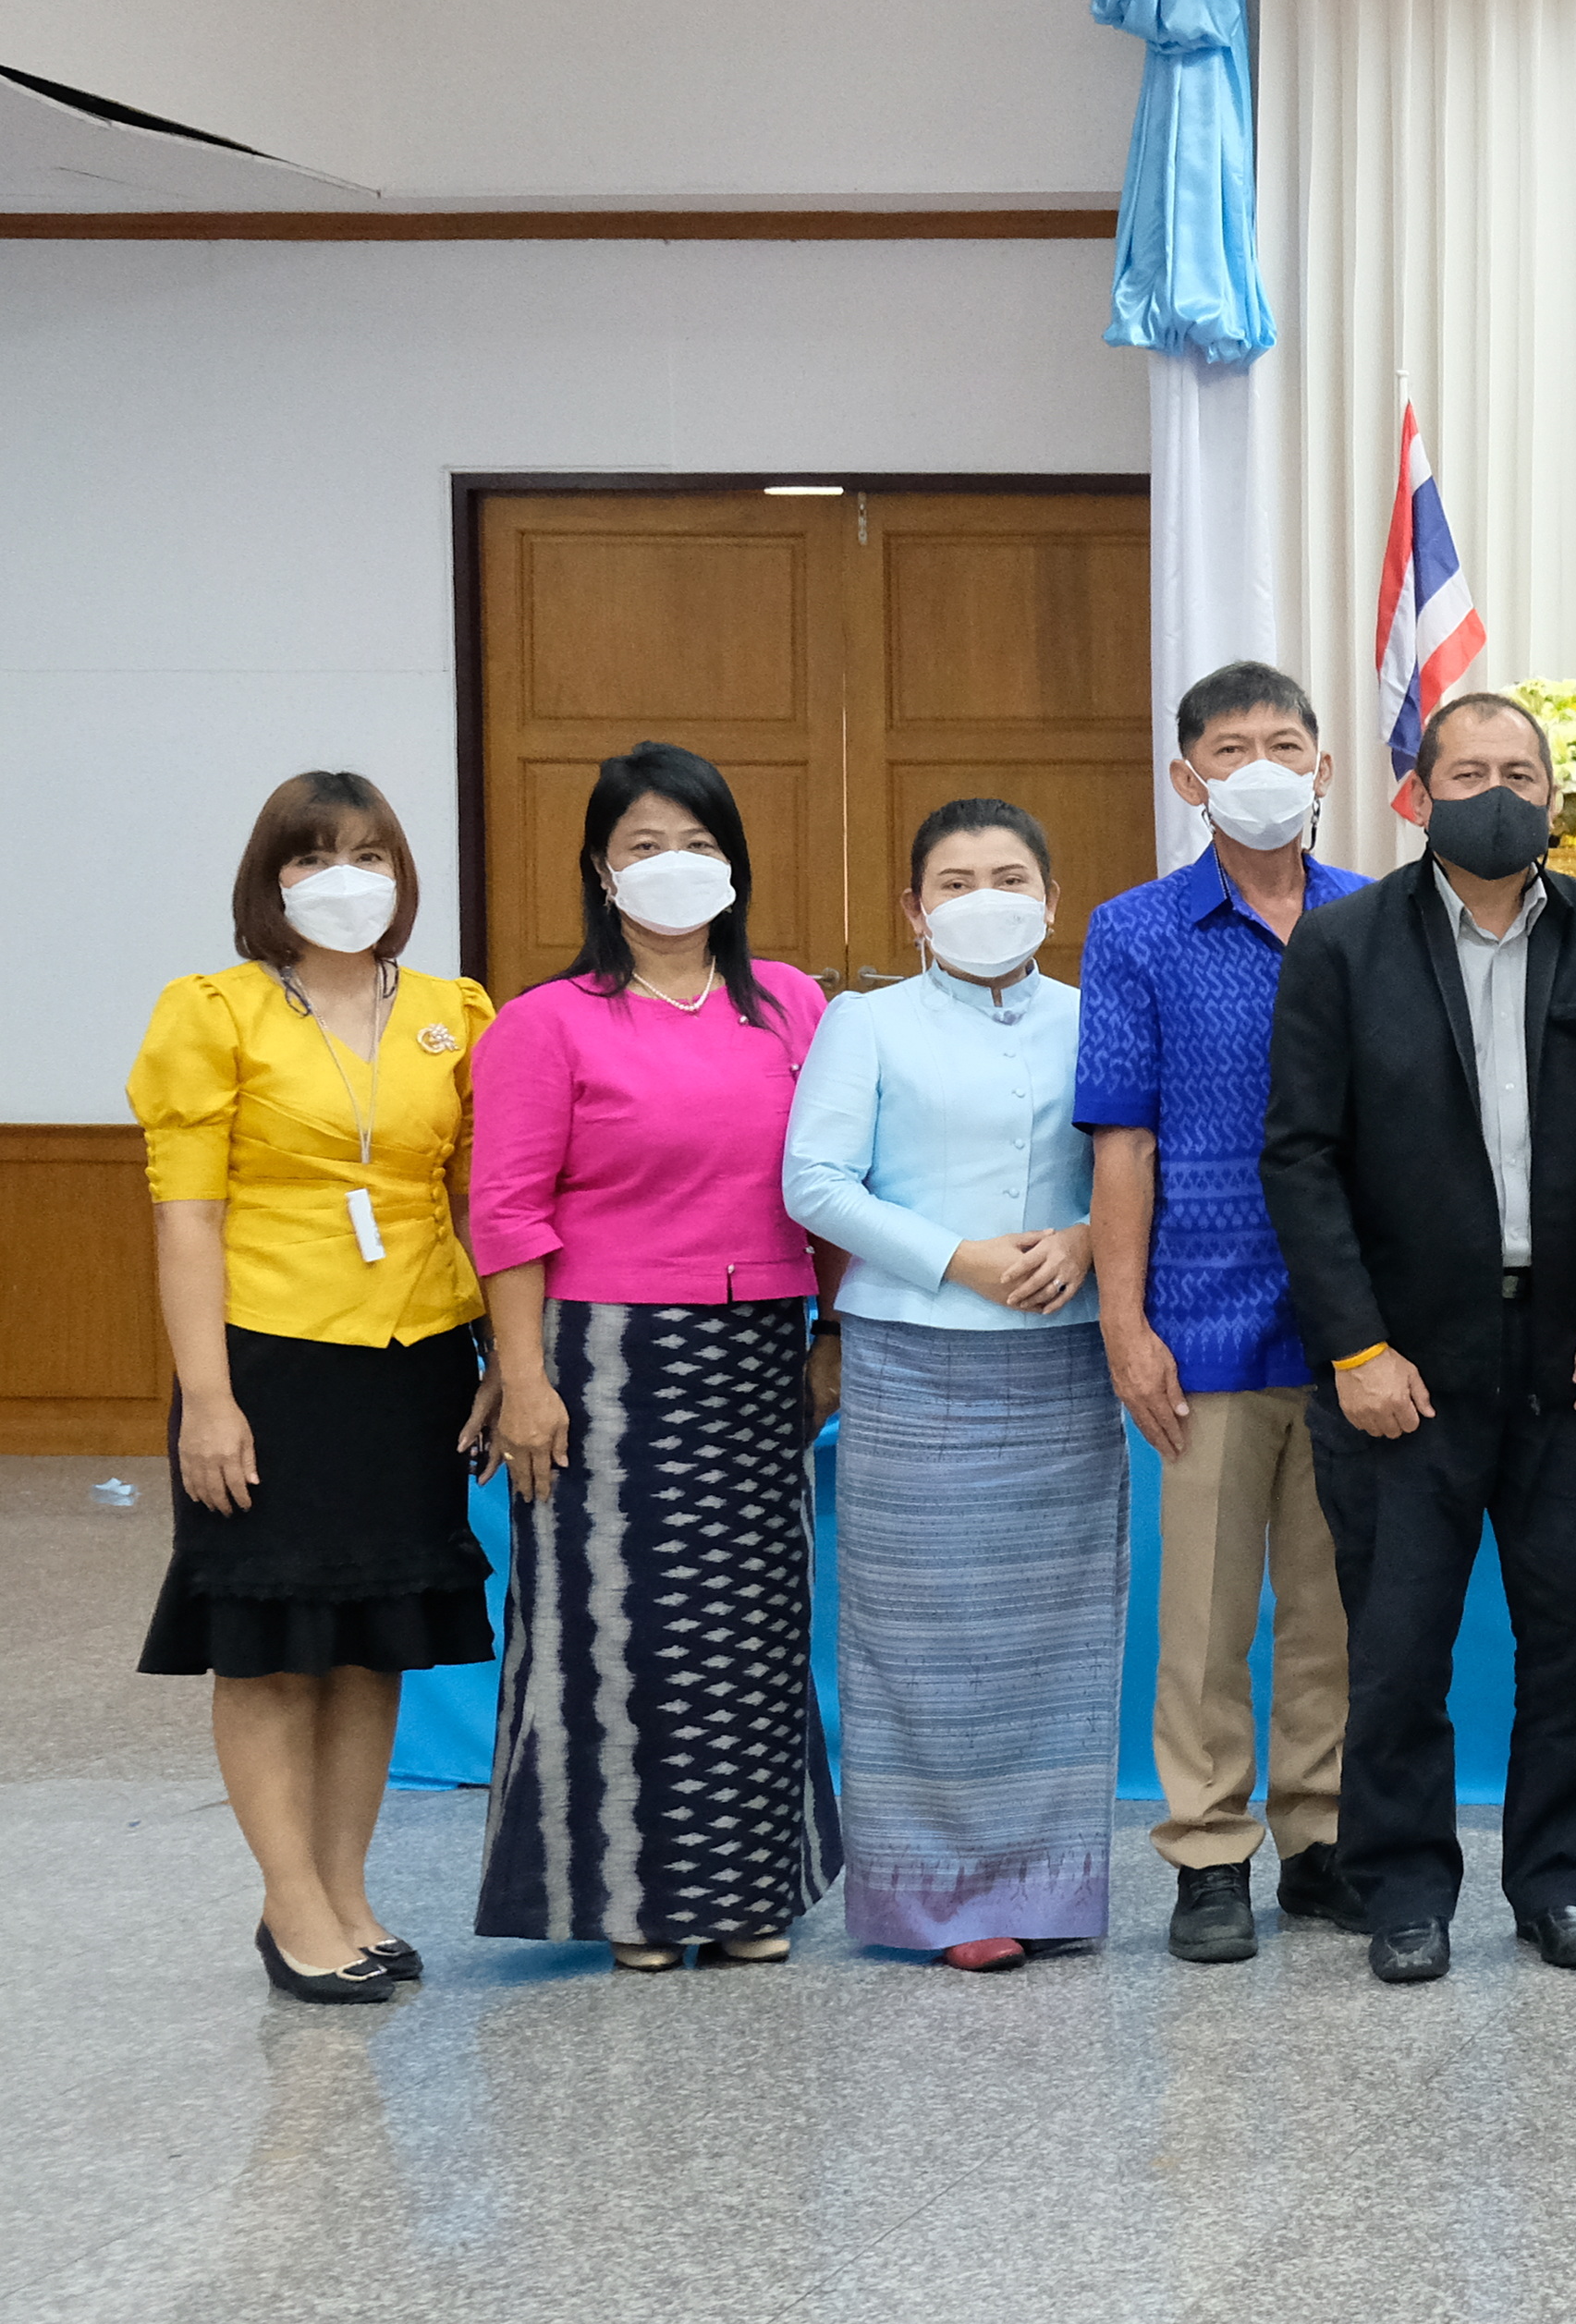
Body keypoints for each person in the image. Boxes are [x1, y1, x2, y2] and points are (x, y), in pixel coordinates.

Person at [1260, 689, 1576, 1984]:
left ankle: (1556, 1879)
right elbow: (1301, 1159)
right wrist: (1357, 1347)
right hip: (1404, 1366)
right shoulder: (1341, 943)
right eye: (1470, 768)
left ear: (1556, 794)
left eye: (1522, 771)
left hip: (1575, 1353)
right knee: (1396, 1645)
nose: (1499, 790)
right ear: (1416, 792)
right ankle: (1403, 1888)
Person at [469, 741, 840, 1967]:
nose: (671, 866)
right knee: (611, 1634)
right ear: (599, 869)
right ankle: (627, 1897)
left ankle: (743, 1896)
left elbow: (830, 1184)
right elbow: (509, 1213)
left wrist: (827, 1330)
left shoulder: (794, 1003)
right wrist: (521, 1378)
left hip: (755, 1353)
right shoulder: (542, 1023)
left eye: (696, 843)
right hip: (602, 1365)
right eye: (643, 846)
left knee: (750, 1631)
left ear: (735, 862)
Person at [132, 772, 498, 2002]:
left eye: (371, 855)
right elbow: (187, 1219)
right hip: (268, 1357)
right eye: (313, 858)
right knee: (270, 1647)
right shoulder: (212, 1010)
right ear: (269, 879)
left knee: (370, 1643)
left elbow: (473, 1200)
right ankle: (291, 1905)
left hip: (415, 1357)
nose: (347, 878)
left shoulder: (456, 1010)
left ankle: (347, 1890)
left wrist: (500, 1359)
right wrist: (210, 1398)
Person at [786, 798, 1121, 1973]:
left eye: (1012, 876)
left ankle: (1049, 1883)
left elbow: (1147, 1162)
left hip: (1065, 1359)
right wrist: (956, 1256)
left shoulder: (1101, 1016)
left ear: (1053, 899)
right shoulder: (863, 1022)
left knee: (1055, 1635)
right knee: (920, 1637)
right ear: (915, 909)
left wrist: (1083, 1237)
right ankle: (938, 1895)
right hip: (914, 1359)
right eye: (958, 880)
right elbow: (814, 1180)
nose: (988, 898)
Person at [1077, 662, 1370, 1962]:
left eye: (1287, 743)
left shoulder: (1378, 916)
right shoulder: (1134, 931)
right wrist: (1124, 1323)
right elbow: (1122, 1142)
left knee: (1333, 1606)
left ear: (1324, 768)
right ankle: (1207, 1853)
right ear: (1187, 775)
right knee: (1202, 1616)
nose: (1263, 765)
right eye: (1233, 747)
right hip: (1200, 1317)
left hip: (1358, 1325)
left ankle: (1321, 1839)